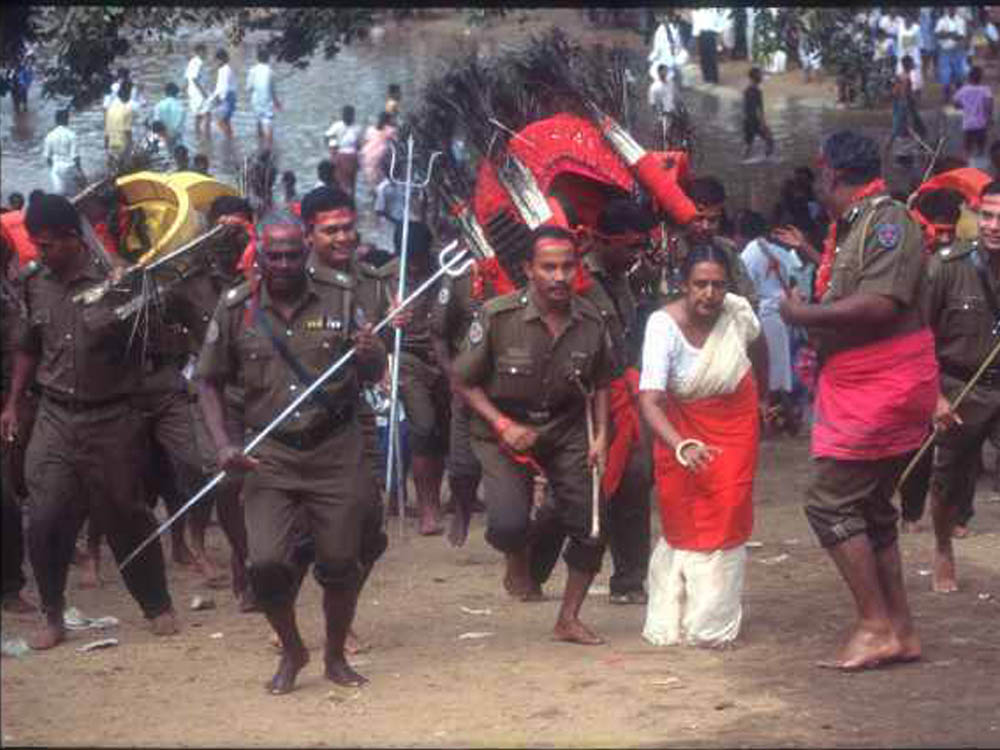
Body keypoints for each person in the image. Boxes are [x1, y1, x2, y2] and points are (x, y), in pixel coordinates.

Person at [197, 209, 386, 694]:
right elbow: (209, 382)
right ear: (258, 255)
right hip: (269, 454)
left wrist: (370, 353)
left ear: (306, 251)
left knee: (341, 563)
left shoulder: (343, 295)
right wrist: (222, 445)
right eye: (272, 255)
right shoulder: (236, 306)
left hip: (335, 448)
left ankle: (336, 656)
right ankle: (292, 649)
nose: (282, 264)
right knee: (265, 565)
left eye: (291, 254)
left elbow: (371, 373)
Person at [778, 130, 935, 671]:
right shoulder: (852, 226)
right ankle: (900, 630)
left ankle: (873, 625)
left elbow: (881, 305)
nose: (815, 182)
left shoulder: (887, 221)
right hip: (863, 381)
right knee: (869, 506)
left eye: (818, 173)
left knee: (828, 499)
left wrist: (804, 317)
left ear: (832, 174)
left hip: (884, 382)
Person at [0, 194, 178, 650]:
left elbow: (153, 348)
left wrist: (133, 301)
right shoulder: (33, 282)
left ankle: (156, 604)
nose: (41, 253)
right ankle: (53, 613)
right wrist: (14, 402)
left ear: (73, 239)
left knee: (126, 513)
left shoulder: (118, 282)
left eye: (48, 245)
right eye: (36, 245)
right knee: (44, 518)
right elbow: (26, 345)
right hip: (55, 415)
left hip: (113, 415)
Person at [452, 225, 613, 645]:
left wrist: (600, 438)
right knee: (506, 524)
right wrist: (503, 425)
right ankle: (517, 555)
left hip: (565, 426)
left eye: (567, 267)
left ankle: (569, 618)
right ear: (528, 269)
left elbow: (600, 383)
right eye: (549, 267)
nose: (560, 277)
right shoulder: (497, 316)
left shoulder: (592, 319)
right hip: (501, 427)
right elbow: (463, 381)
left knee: (592, 525)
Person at [639, 244, 764, 647]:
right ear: (683, 284)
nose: (709, 294)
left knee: (727, 512)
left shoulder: (737, 314)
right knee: (683, 519)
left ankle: (711, 624)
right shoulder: (661, 325)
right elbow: (650, 401)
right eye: (700, 284)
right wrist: (682, 446)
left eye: (717, 285)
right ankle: (672, 619)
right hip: (679, 431)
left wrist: (765, 399)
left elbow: (757, 349)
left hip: (736, 426)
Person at [924, 181, 1000, 591]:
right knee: (947, 478)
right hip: (959, 386)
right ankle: (941, 547)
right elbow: (919, 339)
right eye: (987, 216)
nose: (993, 226)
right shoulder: (947, 267)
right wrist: (933, 396)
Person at [389, 221, 451, 535]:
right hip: (407, 356)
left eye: (418, 257)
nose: (413, 264)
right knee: (423, 425)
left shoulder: (448, 269)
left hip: (446, 357)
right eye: (407, 257)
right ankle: (427, 508)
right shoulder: (387, 276)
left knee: (441, 430)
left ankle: (435, 500)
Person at [740, 211, 804, 436]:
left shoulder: (748, 254)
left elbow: (747, 289)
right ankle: (784, 416)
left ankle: (777, 418)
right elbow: (796, 276)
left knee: (766, 370)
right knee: (782, 367)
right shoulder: (779, 251)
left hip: (763, 316)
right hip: (784, 314)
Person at [1, 234, 36, 614]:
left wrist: (13, 402)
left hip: (7, 403)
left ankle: (10, 585)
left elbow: (19, 354)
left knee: (6, 501)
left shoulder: (12, 298)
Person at [660, 176, 758, 311]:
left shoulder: (727, 251)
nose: (705, 226)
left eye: (713, 220)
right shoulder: (668, 252)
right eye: (698, 218)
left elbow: (748, 299)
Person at [953, 67, 994, 166]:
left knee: (967, 147)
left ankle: (968, 167)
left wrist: (965, 106)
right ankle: (981, 166)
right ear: (981, 78)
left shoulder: (963, 90)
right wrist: (989, 118)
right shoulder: (985, 90)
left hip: (968, 124)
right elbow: (989, 105)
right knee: (981, 146)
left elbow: (956, 104)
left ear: (969, 77)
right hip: (981, 123)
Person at [246, 48, 281, 149]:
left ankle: (260, 145)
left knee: (258, 122)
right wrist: (277, 103)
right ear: (268, 59)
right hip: (267, 102)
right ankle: (269, 148)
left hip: (255, 102)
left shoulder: (252, 70)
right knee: (268, 124)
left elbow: (248, 88)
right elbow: (273, 91)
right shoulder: (270, 72)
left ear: (257, 58)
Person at [42, 109, 82, 197]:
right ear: (67, 120)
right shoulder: (71, 135)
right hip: (69, 168)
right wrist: (80, 172)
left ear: (56, 120)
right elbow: (75, 157)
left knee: (59, 195)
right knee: (74, 196)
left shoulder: (49, 135)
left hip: (56, 169)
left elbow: (47, 158)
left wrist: (53, 168)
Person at [325, 105, 362, 198]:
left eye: (350, 115)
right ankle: (347, 203)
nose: (348, 118)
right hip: (342, 158)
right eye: (346, 115)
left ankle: (348, 203)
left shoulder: (357, 128)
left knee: (349, 184)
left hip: (350, 158)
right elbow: (327, 137)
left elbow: (359, 146)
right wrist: (333, 150)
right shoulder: (337, 126)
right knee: (343, 184)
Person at [359, 112, 397, 197]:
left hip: (367, 158)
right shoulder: (389, 130)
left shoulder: (370, 129)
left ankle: (374, 199)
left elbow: (364, 142)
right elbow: (396, 142)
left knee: (372, 183)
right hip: (378, 158)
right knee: (380, 183)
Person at [742, 67, 774, 162]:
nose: (762, 77)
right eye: (760, 74)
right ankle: (768, 160)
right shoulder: (755, 91)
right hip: (754, 120)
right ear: (755, 77)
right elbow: (757, 109)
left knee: (748, 144)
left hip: (747, 120)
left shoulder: (748, 90)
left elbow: (748, 108)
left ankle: (743, 161)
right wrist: (762, 123)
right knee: (770, 139)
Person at [936, 7, 967, 102]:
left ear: (955, 9)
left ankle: (959, 97)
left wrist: (946, 34)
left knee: (959, 75)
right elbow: (937, 34)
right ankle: (946, 97)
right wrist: (951, 34)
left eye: (953, 8)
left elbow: (961, 36)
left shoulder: (961, 20)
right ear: (947, 9)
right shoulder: (941, 20)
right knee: (945, 76)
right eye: (950, 8)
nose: (951, 9)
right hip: (944, 50)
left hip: (957, 50)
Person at [105, 80, 135, 170]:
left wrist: (106, 147)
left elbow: (107, 129)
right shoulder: (127, 108)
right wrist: (131, 147)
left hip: (111, 144)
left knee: (113, 169)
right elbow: (127, 131)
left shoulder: (111, 106)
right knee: (126, 169)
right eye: (130, 93)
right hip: (122, 145)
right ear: (127, 93)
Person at [185, 44, 211, 136]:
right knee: (207, 115)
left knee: (198, 116)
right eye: (205, 51)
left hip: (193, 93)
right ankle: (207, 137)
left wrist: (187, 92)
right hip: (199, 93)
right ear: (200, 52)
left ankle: (198, 136)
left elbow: (187, 79)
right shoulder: (198, 62)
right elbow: (194, 79)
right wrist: (204, 93)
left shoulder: (191, 62)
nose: (206, 53)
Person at [153, 82, 186, 150]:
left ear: (165, 93)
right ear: (177, 93)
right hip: (176, 139)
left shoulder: (158, 105)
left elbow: (156, 124)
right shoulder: (181, 108)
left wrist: (164, 136)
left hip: (162, 138)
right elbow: (180, 127)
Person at [211, 49, 236, 139]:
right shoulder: (224, 69)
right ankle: (230, 139)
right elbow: (220, 86)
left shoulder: (225, 70)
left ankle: (229, 138)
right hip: (229, 97)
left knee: (220, 121)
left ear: (221, 59)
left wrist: (218, 98)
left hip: (226, 98)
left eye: (217, 60)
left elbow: (224, 86)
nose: (216, 62)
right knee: (226, 121)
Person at [693, 8, 721, 84]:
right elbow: (696, 29)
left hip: (711, 35)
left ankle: (715, 79)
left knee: (713, 58)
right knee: (704, 59)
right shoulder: (697, 12)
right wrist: (697, 47)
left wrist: (718, 43)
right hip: (702, 36)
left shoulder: (713, 10)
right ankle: (707, 78)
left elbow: (717, 26)